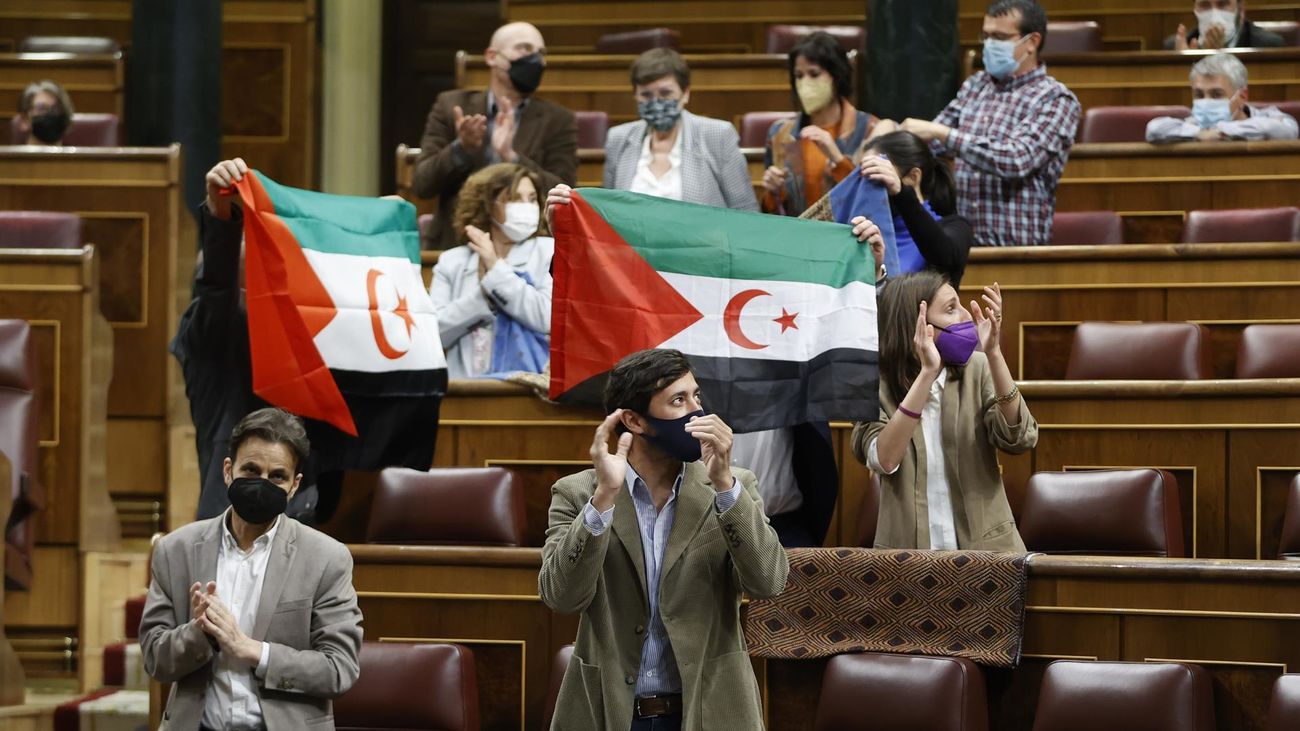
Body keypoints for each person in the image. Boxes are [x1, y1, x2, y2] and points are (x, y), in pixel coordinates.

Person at [173, 158, 442, 523]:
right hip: (231, 515)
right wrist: (221, 213)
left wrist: (375, 239)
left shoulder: (305, 327)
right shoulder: (210, 332)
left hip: (309, 513)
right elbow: (216, 291)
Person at [539, 348, 788, 730]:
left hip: (710, 709)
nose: (697, 413)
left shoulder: (733, 485)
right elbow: (561, 596)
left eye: (697, 397)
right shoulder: (577, 493)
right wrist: (603, 500)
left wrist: (724, 484)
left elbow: (769, 581)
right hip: (611, 712)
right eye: (678, 401)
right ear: (635, 421)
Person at [139, 407, 363, 731]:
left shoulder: (327, 559)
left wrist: (255, 652)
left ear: (294, 485)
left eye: (277, 476)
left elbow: (339, 668)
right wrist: (201, 635)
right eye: (251, 470)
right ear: (228, 471)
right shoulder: (176, 551)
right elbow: (154, 658)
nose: (262, 484)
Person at [851, 272, 1037, 551]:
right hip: (907, 561)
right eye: (951, 309)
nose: (965, 316)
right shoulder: (875, 387)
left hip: (987, 556)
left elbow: (1020, 438)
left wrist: (994, 353)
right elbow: (885, 459)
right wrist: (927, 374)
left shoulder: (978, 369)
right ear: (917, 324)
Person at [879, 0, 1080, 246]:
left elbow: (1017, 160)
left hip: (1016, 249)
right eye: (986, 35)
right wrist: (893, 136)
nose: (989, 44)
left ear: (1032, 42)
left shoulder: (1056, 99)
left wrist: (945, 135)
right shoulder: (977, 86)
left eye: (1000, 36)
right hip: (962, 244)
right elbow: (931, 143)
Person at [413, 22, 577, 249]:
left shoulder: (558, 120)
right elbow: (422, 184)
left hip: (528, 247)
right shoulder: (450, 106)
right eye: (525, 49)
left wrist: (512, 158)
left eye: (541, 53)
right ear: (492, 57)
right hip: (455, 244)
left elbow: (562, 192)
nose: (536, 60)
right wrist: (462, 148)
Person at [430, 162, 553, 378]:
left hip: (529, 389)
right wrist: (483, 299)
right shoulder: (452, 262)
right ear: (487, 205)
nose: (527, 207)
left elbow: (547, 318)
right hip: (464, 388)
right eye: (515, 199)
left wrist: (496, 271)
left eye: (532, 199)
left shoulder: (549, 251)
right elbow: (433, 333)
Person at [604, 48, 757, 211]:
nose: (656, 102)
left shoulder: (717, 135)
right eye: (646, 95)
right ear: (635, 95)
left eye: (665, 93)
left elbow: (745, 209)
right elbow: (607, 210)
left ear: (685, 93)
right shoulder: (618, 138)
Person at [762, 31, 878, 216]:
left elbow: (875, 200)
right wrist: (773, 192)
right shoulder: (780, 133)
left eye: (814, 74)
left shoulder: (870, 129)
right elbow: (773, 213)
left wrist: (838, 159)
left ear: (836, 75)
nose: (805, 83)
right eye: (799, 76)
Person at [848, 130, 973, 286]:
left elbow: (945, 258)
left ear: (913, 177)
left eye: (877, 173)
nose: (867, 186)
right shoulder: (866, 232)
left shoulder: (956, 226)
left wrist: (901, 193)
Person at [1147, 53, 1298, 143]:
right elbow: (1154, 129)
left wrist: (1219, 132)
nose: (1205, 101)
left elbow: (1287, 131)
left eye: (1216, 95)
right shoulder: (1195, 123)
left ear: (1242, 96)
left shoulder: (1269, 116)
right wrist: (1198, 133)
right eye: (1199, 95)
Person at [1166, 0, 1284, 50]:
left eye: (1223, 4)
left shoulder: (1269, 46)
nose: (1214, 15)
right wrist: (1185, 64)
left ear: (1241, 8)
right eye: (1205, 4)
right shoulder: (1176, 47)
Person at [16, 80, 74, 145]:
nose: (51, 113)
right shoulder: (8, 155)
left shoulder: (81, 155)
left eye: (56, 108)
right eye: (42, 108)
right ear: (24, 119)